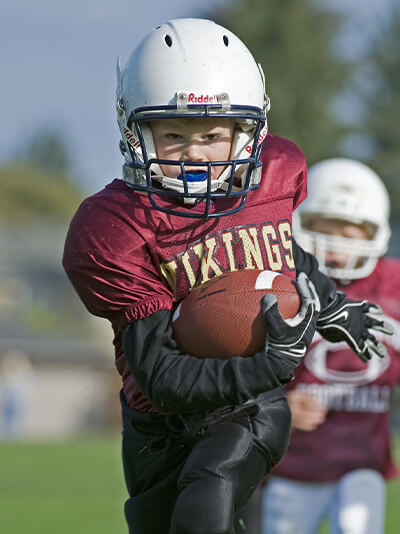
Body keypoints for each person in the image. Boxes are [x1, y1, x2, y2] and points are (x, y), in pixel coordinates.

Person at [62, 19, 392, 534]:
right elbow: (163, 380)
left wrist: (330, 306)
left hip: (245, 406)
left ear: (249, 132)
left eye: (212, 135)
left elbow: (287, 260)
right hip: (157, 420)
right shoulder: (115, 226)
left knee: (208, 499)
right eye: (173, 135)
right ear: (135, 130)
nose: (195, 154)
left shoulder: (274, 178)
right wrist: (273, 363)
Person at [263, 158, 400, 534]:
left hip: (362, 461)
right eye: (325, 232)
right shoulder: (274, 283)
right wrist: (276, 404)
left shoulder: (393, 285)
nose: (338, 252)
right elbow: (240, 370)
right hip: (291, 462)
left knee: (358, 524)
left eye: (350, 234)